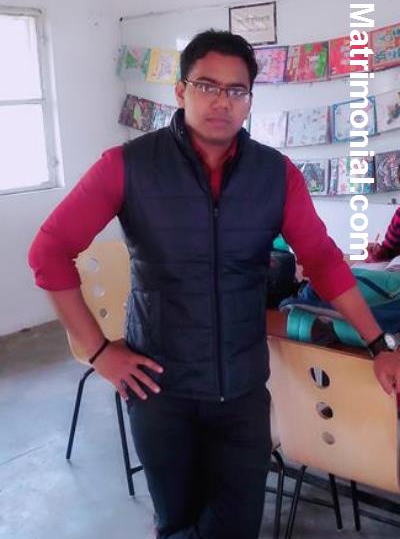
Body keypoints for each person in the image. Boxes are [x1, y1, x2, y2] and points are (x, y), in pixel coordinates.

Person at [28, 30, 400, 539]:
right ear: (180, 91)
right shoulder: (128, 167)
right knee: (176, 521)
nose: (221, 102)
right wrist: (98, 352)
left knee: (237, 525)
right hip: (161, 390)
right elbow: (48, 253)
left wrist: (378, 345)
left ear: (250, 100)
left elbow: (324, 262)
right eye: (207, 86)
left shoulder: (275, 175)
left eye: (236, 90)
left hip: (242, 392)